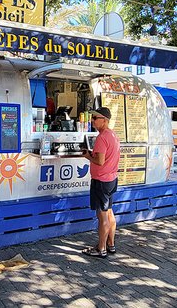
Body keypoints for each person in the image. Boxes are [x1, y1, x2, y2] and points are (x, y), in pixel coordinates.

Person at [81, 107, 120, 258]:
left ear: (105, 120)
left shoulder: (102, 137)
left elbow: (100, 161)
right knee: (109, 213)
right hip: (111, 179)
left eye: (95, 118)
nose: (92, 121)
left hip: (101, 180)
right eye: (92, 118)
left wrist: (87, 156)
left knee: (102, 215)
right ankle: (111, 245)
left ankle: (101, 249)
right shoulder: (113, 135)